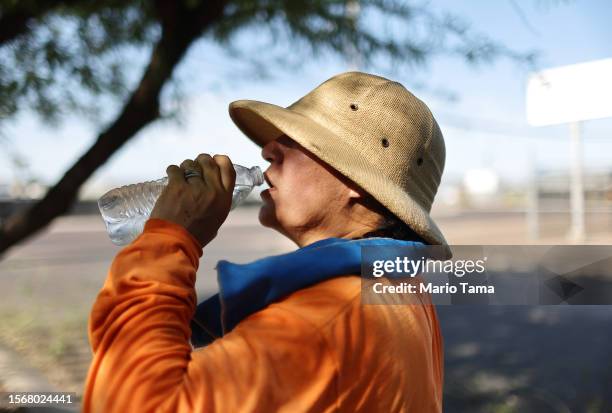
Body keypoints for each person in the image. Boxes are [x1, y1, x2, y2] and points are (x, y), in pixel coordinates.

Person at [83, 71, 452, 412]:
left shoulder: (327, 320)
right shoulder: (396, 287)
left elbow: (129, 402)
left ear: (356, 181)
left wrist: (170, 237)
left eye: (298, 140)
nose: (268, 150)